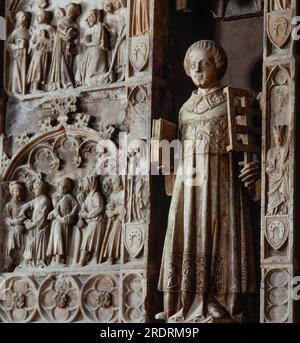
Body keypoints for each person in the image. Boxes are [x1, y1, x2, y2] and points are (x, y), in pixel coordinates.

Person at [156, 40, 259, 323]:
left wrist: (255, 167)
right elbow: (173, 154)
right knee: (189, 233)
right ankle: (184, 302)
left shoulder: (233, 100)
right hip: (188, 184)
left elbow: (250, 141)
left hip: (221, 179)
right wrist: (160, 155)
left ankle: (219, 303)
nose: (198, 70)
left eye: (205, 64)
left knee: (221, 235)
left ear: (219, 66)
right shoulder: (185, 109)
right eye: (193, 66)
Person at [48, 3, 81, 90]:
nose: (71, 12)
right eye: (70, 10)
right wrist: (69, 32)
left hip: (69, 45)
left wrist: (73, 33)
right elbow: (61, 29)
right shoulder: (63, 21)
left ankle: (69, 80)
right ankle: (65, 82)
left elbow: (75, 33)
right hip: (60, 44)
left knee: (69, 62)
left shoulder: (74, 22)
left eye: (73, 11)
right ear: (66, 10)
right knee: (62, 62)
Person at [47, 178, 79, 266]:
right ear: (58, 185)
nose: (63, 187)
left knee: (65, 241)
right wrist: (61, 218)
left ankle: (62, 260)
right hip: (58, 222)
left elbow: (76, 206)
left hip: (67, 222)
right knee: (58, 239)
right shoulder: (55, 197)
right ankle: (57, 260)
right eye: (61, 185)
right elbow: (56, 209)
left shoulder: (69, 196)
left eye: (66, 186)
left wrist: (71, 215)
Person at [21, 180, 52, 269]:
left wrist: (31, 225)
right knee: (31, 243)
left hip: (41, 227)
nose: (33, 190)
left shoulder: (45, 200)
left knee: (39, 244)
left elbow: (42, 217)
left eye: (35, 188)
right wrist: (23, 212)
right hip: (33, 227)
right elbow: (28, 205)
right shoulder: (37, 200)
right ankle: (30, 262)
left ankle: (39, 262)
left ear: (41, 189)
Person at [76, 175, 105, 266]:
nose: (83, 185)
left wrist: (87, 215)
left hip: (97, 222)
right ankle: (88, 260)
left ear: (90, 184)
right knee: (89, 240)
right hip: (91, 223)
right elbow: (83, 208)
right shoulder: (88, 197)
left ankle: (83, 261)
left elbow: (99, 208)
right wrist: (82, 214)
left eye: (84, 183)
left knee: (89, 241)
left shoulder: (96, 195)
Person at [76, 9, 109, 86]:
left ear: (96, 17)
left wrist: (87, 44)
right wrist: (84, 42)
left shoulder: (99, 26)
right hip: (90, 52)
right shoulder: (89, 29)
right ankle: (106, 77)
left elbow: (97, 42)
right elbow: (86, 41)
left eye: (92, 16)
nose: (90, 18)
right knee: (82, 69)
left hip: (97, 51)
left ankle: (106, 77)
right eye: (89, 16)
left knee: (89, 78)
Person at [26, 10, 55, 93]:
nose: (37, 18)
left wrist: (45, 39)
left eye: (39, 16)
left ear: (45, 17)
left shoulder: (50, 28)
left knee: (45, 68)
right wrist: (33, 45)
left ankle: (42, 86)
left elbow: (54, 41)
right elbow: (31, 41)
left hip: (46, 52)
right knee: (37, 67)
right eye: (37, 16)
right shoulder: (37, 29)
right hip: (37, 52)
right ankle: (34, 87)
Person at [266, 125, 289, 216]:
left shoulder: (286, 150)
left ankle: (284, 209)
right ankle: (273, 211)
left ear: (283, 137)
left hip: (283, 176)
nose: (278, 140)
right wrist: (270, 169)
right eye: (276, 138)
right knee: (272, 196)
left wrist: (283, 167)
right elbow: (267, 168)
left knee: (283, 190)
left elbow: (288, 163)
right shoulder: (270, 152)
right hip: (273, 179)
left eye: (280, 137)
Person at [7, 11, 31, 95]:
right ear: (18, 20)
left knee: (26, 72)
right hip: (17, 56)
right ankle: (16, 89)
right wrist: (17, 46)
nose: (23, 19)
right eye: (22, 17)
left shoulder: (29, 32)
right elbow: (8, 43)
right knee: (16, 73)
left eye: (25, 17)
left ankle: (25, 89)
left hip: (26, 56)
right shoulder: (15, 31)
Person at [3, 182, 26, 269]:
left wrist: (24, 221)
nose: (18, 193)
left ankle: (22, 263)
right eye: (16, 191)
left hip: (23, 230)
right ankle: (9, 264)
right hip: (13, 230)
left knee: (22, 248)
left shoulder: (25, 204)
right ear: (12, 192)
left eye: (20, 191)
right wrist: (13, 221)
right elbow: (5, 219)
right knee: (11, 247)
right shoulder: (9, 205)